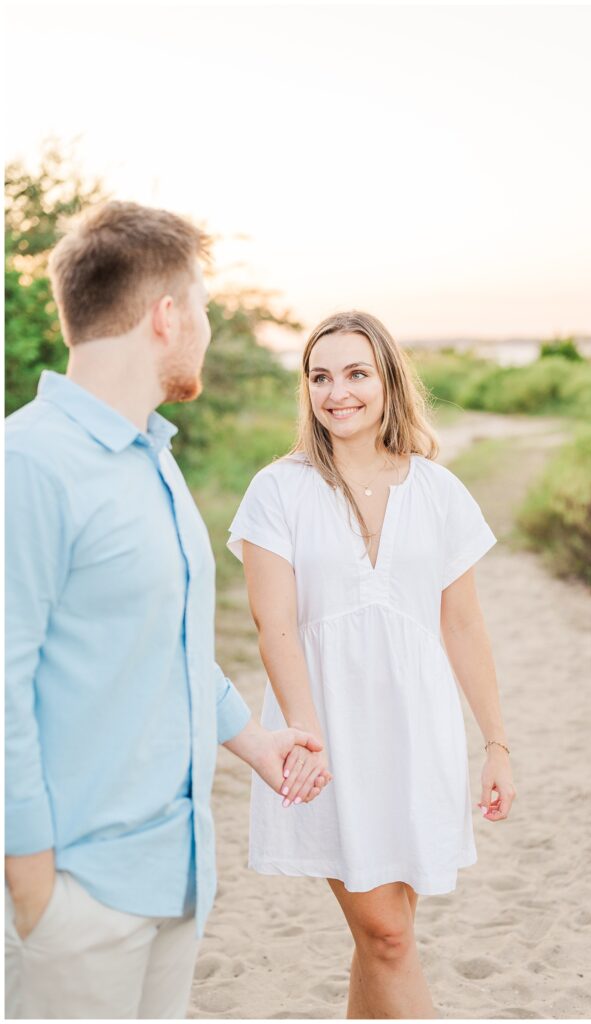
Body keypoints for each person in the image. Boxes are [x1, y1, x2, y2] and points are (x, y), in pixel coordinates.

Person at [4, 200, 331, 1020]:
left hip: (177, 877)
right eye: (207, 312)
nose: (210, 333)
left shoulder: (155, 459)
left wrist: (256, 744)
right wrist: (36, 889)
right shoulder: (28, 464)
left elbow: (169, 645)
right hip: (78, 899)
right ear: (166, 315)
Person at [226, 310, 516, 1018]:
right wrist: (305, 730)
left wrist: (497, 745)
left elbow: (464, 624)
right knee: (386, 932)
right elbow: (276, 625)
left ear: (388, 381)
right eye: (320, 376)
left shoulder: (439, 492)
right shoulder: (278, 490)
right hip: (326, 730)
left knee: (387, 932)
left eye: (356, 373)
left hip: (418, 735)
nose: (337, 393)